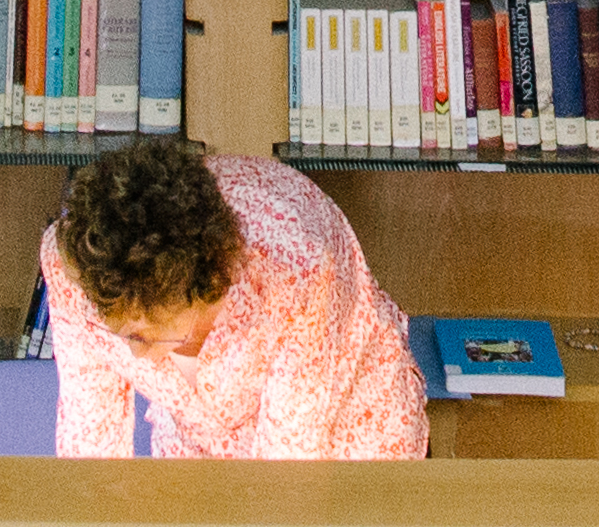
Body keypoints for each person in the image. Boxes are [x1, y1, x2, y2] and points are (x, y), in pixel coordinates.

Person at [39, 136, 426, 460]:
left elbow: (287, 475)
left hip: (350, 423)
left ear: (207, 290)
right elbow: (90, 434)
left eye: (144, 336)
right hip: (202, 434)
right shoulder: (74, 261)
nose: (136, 357)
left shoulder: (293, 269)